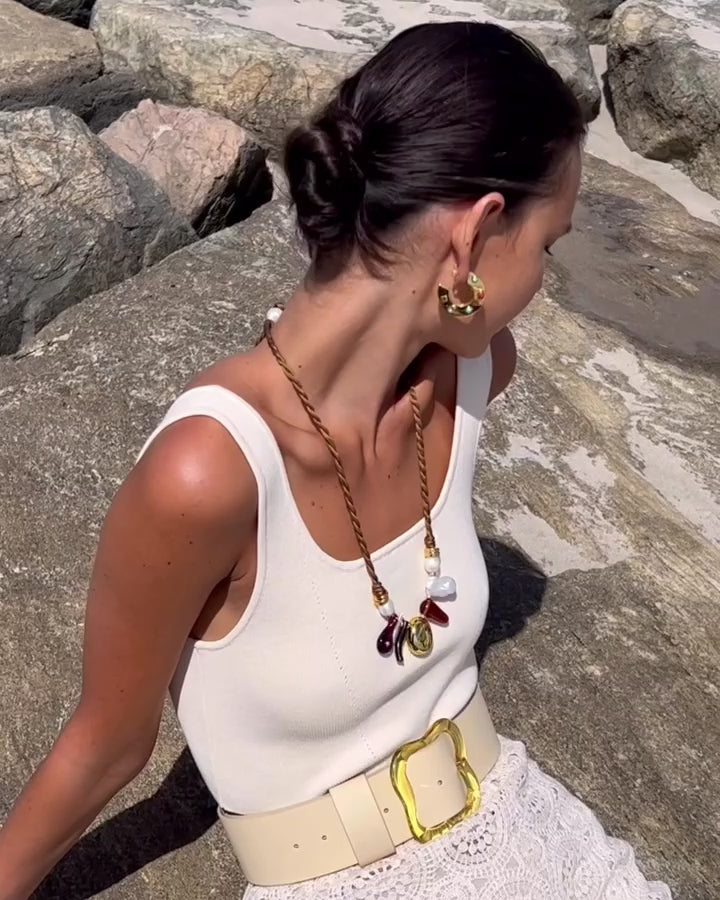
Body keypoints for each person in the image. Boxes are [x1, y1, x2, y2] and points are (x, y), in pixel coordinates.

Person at [0, 21, 671, 900]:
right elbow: (106, 745)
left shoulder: (474, 372)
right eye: (548, 245)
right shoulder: (209, 472)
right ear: (476, 233)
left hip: (527, 837)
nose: (541, 282)